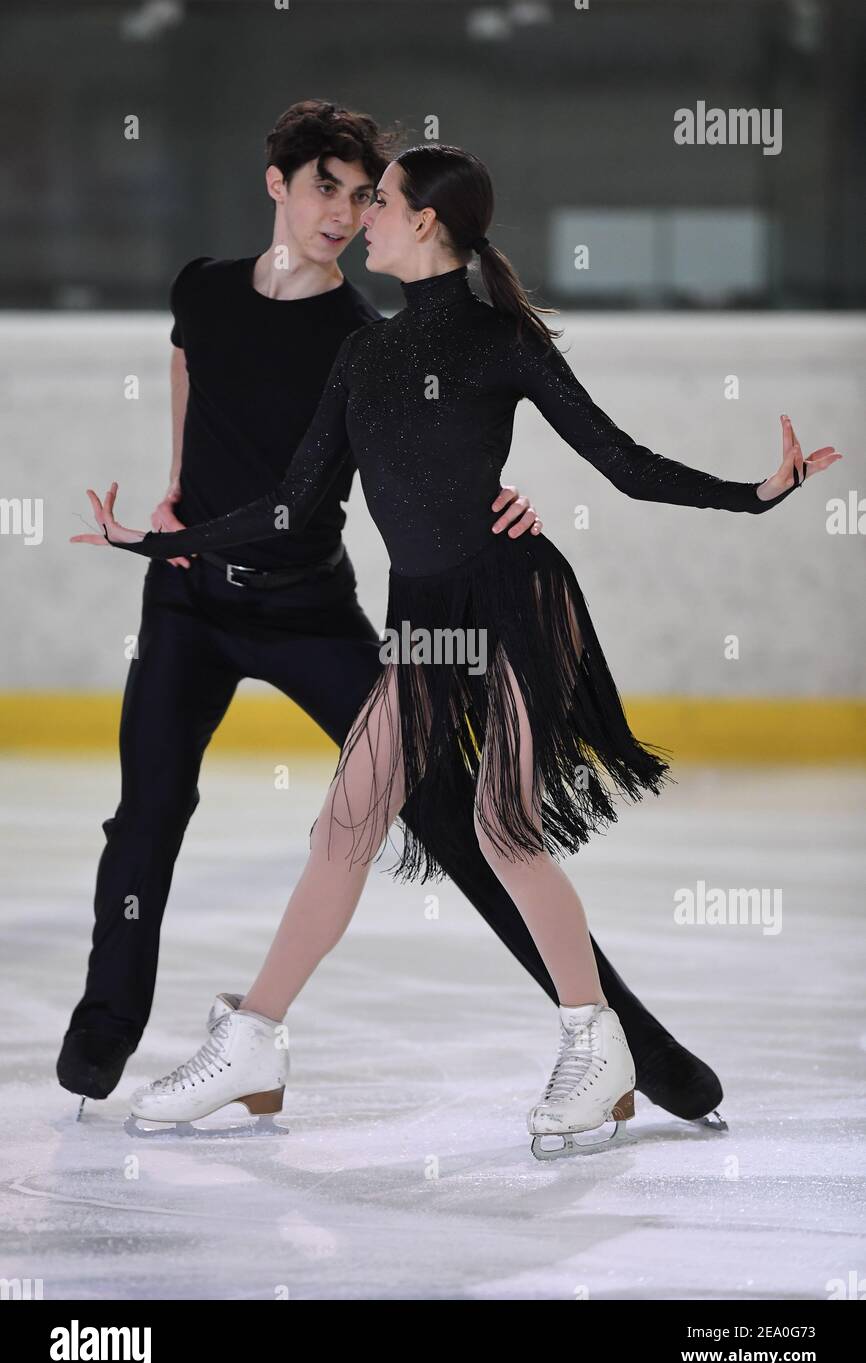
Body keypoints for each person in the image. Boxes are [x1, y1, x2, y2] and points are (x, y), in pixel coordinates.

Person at [74, 141, 839, 1157]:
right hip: (424, 618)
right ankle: (253, 1039)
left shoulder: (499, 342)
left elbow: (622, 463)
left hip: (516, 603)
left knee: (503, 832)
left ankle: (591, 1039)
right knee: (343, 826)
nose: (362, 221)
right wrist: (160, 540)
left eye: (379, 202)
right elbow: (293, 503)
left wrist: (756, 492)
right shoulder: (363, 354)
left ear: (424, 222)